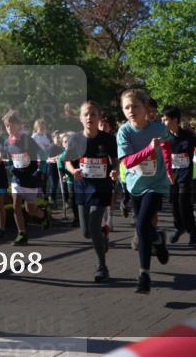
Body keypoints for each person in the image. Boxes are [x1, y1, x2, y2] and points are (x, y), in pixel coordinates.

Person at [116, 89, 173, 294]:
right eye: (127, 107)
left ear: (145, 108)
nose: (131, 111)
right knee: (146, 229)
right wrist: (149, 149)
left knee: (141, 226)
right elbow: (127, 161)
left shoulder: (158, 128)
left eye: (135, 106)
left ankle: (144, 275)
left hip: (156, 184)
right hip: (135, 185)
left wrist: (168, 165)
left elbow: (167, 143)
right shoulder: (124, 132)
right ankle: (158, 239)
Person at [64, 101, 119, 282]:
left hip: (101, 188)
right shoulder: (75, 139)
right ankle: (102, 235)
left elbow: (115, 160)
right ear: (80, 118)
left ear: (98, 117)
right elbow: (67, 161)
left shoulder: (108, 139)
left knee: (94, 223)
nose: (89, 117)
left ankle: (101, 266)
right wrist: (73, 171)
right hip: (82, 188)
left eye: (93, 114)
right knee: (87, 232)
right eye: (86, 114)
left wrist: (114, 170)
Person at [4, 110, 51, 245]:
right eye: (7, 126)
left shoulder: (27, 140)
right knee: (15, 205)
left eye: (12, 125)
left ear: (19, 125)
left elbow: (42, 155)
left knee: (30, 209)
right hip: (17, 179)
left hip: (30, 179)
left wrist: (40, 171)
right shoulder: (8, 142)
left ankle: (43, 215)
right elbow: (10, 157)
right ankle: (22, 234)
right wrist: (12, 169)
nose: (9, 128)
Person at [160, 106, 196, 247]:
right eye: (162, 119)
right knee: (174, 206)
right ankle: (179, 228)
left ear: (175, 120)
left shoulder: (188, 136)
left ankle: (194, 234)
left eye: (165, 119)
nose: (163, 122)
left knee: (184, 204)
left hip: (186, 177)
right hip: (171, 177)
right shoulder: (164, 137)